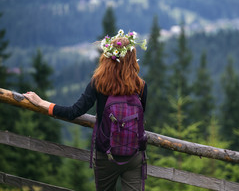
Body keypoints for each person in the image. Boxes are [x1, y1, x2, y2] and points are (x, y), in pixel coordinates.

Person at [24, 29, 148, 191]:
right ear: (132, 58)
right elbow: (140, 117)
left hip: (106, 155)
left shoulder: (99, 82)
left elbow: (73, 111)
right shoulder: (141, 86)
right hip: (134, 155)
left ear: (108, 57)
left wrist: (43, 103)